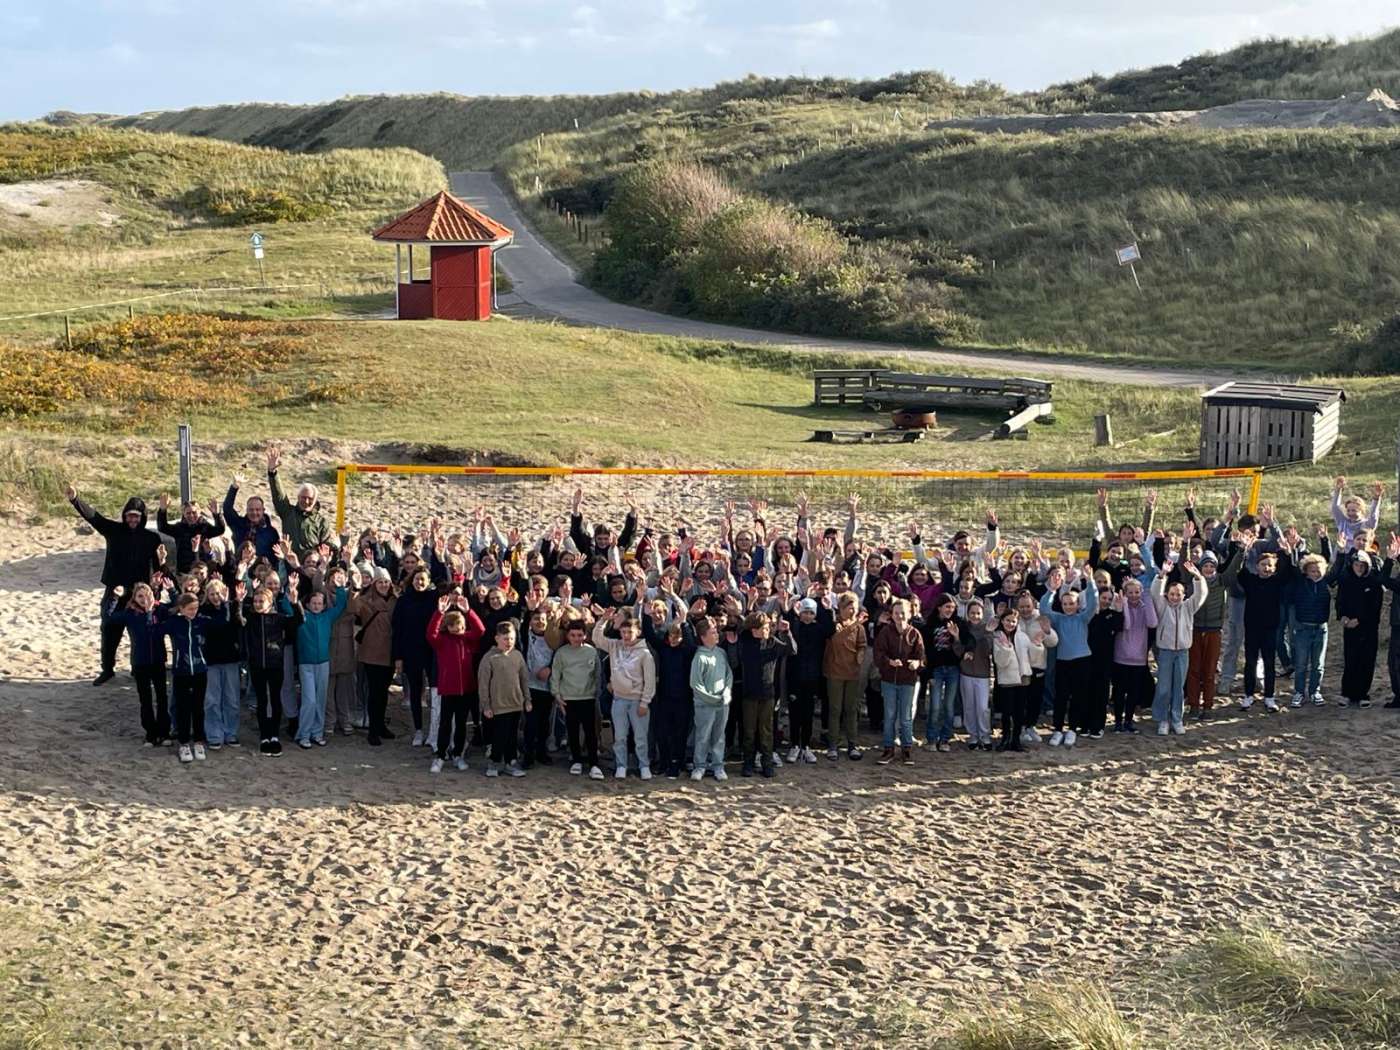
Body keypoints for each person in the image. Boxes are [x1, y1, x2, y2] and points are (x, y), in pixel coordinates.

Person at [65, 483, 165, 685]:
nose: (132, 519)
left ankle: (138, 668)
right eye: (129, 515)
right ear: (124, 516)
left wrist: (159, 575)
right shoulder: (114, 531)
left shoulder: (151, 538)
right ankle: (107, 669)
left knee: (140, 635)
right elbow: (95, 517)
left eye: (136, 516)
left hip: (140, 594)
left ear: (142, 517)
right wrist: (76, 500)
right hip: (116, 591)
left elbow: (157, 569)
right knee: (109, 631)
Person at [103, 581, 174, 746]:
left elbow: (176, 608)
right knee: (146, 699)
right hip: (140, 662)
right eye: (140, 596)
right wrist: (114, 597)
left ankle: (164, 732)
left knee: (162, 698)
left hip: (158, 661)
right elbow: (109, 617)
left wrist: (168, 590)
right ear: (134, 597)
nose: (144, 599)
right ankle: (151, 733)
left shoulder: (159, 610)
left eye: (146, 595)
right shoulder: (130, 613)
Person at [593, 608, 657, 780]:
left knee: (640, 736)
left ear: (638, 632)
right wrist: (603, 620)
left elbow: (649, 680)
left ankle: (644, 765)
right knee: (620, 736)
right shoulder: (615, 646)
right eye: (623, 632)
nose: (626, 635)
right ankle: (621, 765)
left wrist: (645, 702)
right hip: (619, 700)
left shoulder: (645, 654)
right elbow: (597, 639)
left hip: (637, 701)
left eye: (630, 632)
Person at [286, 577, 349, 748]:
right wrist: (291, 592)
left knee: (320, 700)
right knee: (309, 701)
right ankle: (303, 734)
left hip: (323, 664)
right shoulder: (302, 617)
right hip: (306, 665)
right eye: (313, 603)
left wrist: (341, 587)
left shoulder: (327, 617)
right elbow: (288, 607)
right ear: (307, 604)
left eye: (319, 603)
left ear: (323, 605)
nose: (316, 606)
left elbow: (341, 605)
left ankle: (317, 733)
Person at [426, 593, 487, 772]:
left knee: (461, 724)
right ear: (448, 626)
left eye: (459, 625)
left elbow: (480, 630)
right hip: (448, 689)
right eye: (452, 625)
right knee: (445, 724)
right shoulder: (442, 641)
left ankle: (458, 754)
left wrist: (468, 612)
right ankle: (440, 755)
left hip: (467, 689)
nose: (456, 628)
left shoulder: (468, 640)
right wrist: (439, 613)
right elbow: (431, 634)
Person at [1150, 559, 1209, 735]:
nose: (1175, 597)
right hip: (1166, 652)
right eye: (1172, 594)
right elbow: (1155, 592)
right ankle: (1162, 719)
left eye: (1179, 594)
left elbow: (1201, 595)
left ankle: (1176, 719)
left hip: (1183, 652)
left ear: (1184, 595)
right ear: (1167, 594)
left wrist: (1198, 577)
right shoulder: (1162, 606)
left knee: (1178, 687)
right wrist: (1162, 575)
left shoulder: (1188, 607)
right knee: (1164, 687)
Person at [737, 611, 797, 777]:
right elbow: (742, 627)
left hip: (767, 694)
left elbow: (791, 650)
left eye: (768, 627)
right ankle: (748, 763)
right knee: (749, 731)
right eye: (763, 627)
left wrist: (787, 632)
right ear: (754, 629)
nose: (766, 629)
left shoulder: (772, 642)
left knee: (766, 731)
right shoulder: (746, 640)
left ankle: (767, 763)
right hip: (749, 693)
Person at [158, 593, 214, 764]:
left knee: (198, 708)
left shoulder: (201, 621)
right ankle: (183, 743)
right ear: (181, 609)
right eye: (190, 609)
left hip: (199, 671)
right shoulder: (175, 622)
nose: (193, 612)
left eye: (196, 608)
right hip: (181, 672)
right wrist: (163, 607)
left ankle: (198, 741)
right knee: (183, 708)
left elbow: (221, 623)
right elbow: (157, 628)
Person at [551, 620, 604, 779]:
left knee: (590, 732)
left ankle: (594, 763)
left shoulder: (591, 652)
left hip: (588, 697)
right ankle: (576, 760)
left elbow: (597, 675)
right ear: (567, 636)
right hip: (569, 698)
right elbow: (556, 674)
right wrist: (557, 695)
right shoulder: (561, 653)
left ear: (585, 635)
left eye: (580, 635)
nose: (576, 638)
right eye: (573, 635)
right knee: (572, 731)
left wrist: (596, 694)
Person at [874, 599, 924, 765]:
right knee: (889, 715)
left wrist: (917, 663)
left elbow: (922, 656)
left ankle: (906, 748)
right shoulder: (885, 632)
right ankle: (888, 748)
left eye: (903, 613)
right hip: (889, 679)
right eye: (896, 613)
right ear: (892, 615)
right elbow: (878, 654)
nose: (900, 616)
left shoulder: (914, 633)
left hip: (908, 680)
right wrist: (889, 662)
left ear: (909, 614)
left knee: (906, 716)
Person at [351, 567, 398, 746]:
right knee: (373, 691)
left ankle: (380, 725)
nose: (384, 585)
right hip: (372, 652)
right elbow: (352, 607)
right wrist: (355, 587)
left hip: (390, 652)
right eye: (380, 582)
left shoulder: (395, 600)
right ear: (374, 583)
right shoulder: (366, 600)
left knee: (384, 691)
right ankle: (372, 730)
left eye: (386, 581)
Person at [478, 620, 531, 777]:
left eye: (512, 639)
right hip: (498, 706)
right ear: (497, 638)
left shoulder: (517, 655)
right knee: (499, 736)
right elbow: (483, 684)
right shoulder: (489, 658)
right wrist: (486, 705)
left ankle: (511, 762)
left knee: (512, 736)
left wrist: (527, 699)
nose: (509, 642)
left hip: (516, 704)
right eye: (506, 639)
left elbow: (524, 679)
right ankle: (494, 762)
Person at [199, 578, 246, 750]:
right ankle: (214, 734)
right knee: (212, 700)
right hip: (211, 661)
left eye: (218, 593)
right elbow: (217, 625)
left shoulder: (232, 606)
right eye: (212, 594)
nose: (215, 597)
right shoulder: (203, 610)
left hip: (231, 660)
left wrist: (233, 603)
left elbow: (239, 623)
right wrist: (226, 606)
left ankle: (231, 733)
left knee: (232, 700)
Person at [266, 446, 335, 558]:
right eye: (303, 497)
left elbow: (327, 546)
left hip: (312, 564)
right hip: (289, 560)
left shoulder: (321, 522)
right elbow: (279, 495)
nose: (306, 501)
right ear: (298, 497)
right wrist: (273, 473)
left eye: (310, 498)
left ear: (315, 500)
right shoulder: (288, 513)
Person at [689, 616, 734, 780]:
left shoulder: (721, 653)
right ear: (703, 637)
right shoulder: (699, 657)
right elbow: (696, 684)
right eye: (713, 633)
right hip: (705, 705)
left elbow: (728, 674)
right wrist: (712, 699)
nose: (716, 635)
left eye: (716, 632)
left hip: (723, 703)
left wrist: (726, 692)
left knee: (719, 735)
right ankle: (699, 766)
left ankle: (718, 765)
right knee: (703, 736)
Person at [823, 592, 866, 761]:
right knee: (835, 710)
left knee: (851, 710)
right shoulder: (834, 625)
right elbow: (830, 640)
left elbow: (862, 644)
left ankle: (852, 744)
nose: (852, 610)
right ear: (841, 608)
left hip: (853, 673)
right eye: (849, 607)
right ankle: (833, 745)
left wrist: (861, 654)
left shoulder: (859, 627)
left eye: (854, 607)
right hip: (834, 672)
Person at [156, 494, 227, 575]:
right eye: (188, 513)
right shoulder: (180, 528)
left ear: (199, 512)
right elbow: (162, 527)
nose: (191, 515)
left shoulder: (204, 527)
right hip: (184, 571)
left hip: (201, 570)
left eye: (194, 512)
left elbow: (220, 530)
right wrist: (162, 510)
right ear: (184, 514)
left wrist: (217, 514)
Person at [958, 599, 994, 750]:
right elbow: (958, 650)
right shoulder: (963, 629)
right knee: (969, 707)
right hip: (966, 672)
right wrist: (956, 639)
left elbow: (989, 650)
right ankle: (973, 735)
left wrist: (988, 634)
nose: (975, 616)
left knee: (982, 707)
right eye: (972, 613)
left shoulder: (987, 629)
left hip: (983, 674)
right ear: (967, 614)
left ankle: (985, 735)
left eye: (978, 613)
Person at [223, 474, 281, 558]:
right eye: (251, 509)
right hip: (240, 565)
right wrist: (234, 487)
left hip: (261, 569)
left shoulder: (271, 532)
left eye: (257, 510)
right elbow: (227, 508)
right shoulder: (239, 524)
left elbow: (275, 555)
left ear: (263, 510)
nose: (254, 513)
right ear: (246, 510)